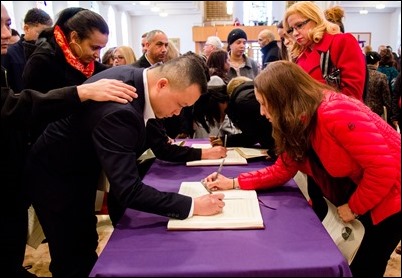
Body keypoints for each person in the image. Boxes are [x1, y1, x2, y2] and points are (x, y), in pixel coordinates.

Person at [23, 53, 226, 277]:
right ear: (162, 84)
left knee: (85, 240)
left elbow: (156, 144)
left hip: (78, 167)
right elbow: (128, 189)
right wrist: (193, 206)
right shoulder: (121, 111)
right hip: (57, 175)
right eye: (180, 104)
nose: (177, 113)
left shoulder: (139, 80)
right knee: (73, 251)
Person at [202, 60, 401, 278]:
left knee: (365, 265)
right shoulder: (298, 122)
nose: (261, 112)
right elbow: (281, 170)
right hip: (369, 193)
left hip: (391, 198)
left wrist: (355, 207)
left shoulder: (334, 111)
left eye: (264, 103)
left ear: (282, 99)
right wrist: (233, 183)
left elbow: (383, 168)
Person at [1, 3, 137, 277]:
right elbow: (24, 109)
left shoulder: (85, 63)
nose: (8, 32)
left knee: (84, 238)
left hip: (75, 166)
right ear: (74, 39)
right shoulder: (43, 61)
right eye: (94, 47)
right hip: (51, 165)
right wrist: (82, 94)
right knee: (67, 246)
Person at [283, 1, 366, 101]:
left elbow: (352, 94)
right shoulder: (301, 54)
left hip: (339, 114)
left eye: (299, 25)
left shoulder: (342, 42)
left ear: (315, 19)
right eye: (292, 29)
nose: (295, 33)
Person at [23, 7, 109, 94]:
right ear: (74, 37)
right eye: (94, 48)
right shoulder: (41, 62)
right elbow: (37, 103)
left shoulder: (88, 63)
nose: (97, 55)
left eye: (101, 48)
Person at [193, 76, 276, 159]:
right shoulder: (237, 104)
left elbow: (276, 126)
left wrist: (276, 151)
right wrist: (225, 141)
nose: (215, 120)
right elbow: (252, 135)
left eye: (210, 116)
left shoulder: (243, 103)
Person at [2, 8, 52, 93]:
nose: (44, 39)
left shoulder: (49, 53)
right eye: (41, 33)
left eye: (48, 34)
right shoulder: (9, 54)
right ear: (26, 28)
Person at [364, 51, 391, 118]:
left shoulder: (360, 74)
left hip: (361, 108)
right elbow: (386, 97)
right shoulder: (381, 76)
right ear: (377, 63)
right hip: (376, 111)